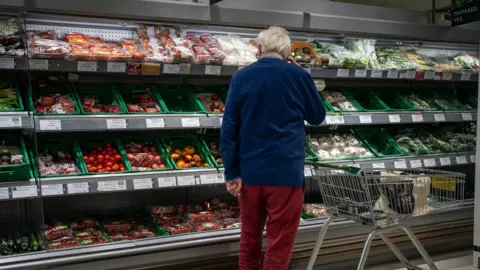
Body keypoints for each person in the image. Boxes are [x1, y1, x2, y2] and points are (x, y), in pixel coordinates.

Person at [220, 26, 326, 270]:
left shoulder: (241, 77)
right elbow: (317, 116)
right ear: (287, 50)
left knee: (250, 238)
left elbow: (229, 129)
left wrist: (232, 173)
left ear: (259, 48)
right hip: (285, 173)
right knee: (279, 242)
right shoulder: (298, 75)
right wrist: (303, 76)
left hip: (250, 174)